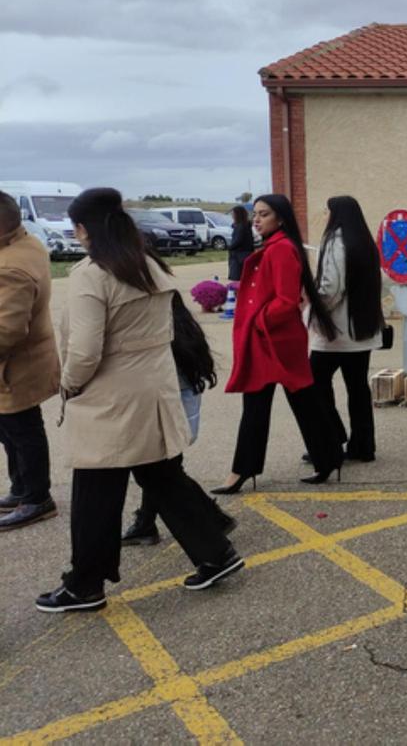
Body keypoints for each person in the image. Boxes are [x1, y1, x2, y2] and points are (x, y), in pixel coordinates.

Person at [37, 188, 243, 613]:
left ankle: (85, 585)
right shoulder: (146, 264)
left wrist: (70, 385)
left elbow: (86, 348)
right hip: (153, 387)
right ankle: (216, 553)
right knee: (161, 475)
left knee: (96, 491)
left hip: (111, 398)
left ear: (82, 230)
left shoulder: (92, 274)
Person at [214, 194, 343, 493]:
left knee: (289, 402)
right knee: (281, 403)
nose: (256, 220)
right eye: (255, 214)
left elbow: (286, 301)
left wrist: (258, 321)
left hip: (275, 340)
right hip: (272, 338)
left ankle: (244, 471)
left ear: (281, 218)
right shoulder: (276, 246)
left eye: (264, 214)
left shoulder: (281, 249)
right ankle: (326, 458)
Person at [121, 292, 236, 546]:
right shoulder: (183, 331)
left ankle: (212, 523)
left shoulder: (163, 341)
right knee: (162, 472)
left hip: (171, 417)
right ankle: (146, 523)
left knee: (160, 474)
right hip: (181, 416)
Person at [308, 196, 384, 463]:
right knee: (358, 389)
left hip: (336, 332)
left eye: (327, 211)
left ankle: (331, 440)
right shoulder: (364, 242)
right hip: (362, 331)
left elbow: (330, 289)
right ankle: (363, 446)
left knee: (314, 383)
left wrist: (313, 308)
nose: (326, 216)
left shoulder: (334, 242)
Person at [0, 190, 58, 531]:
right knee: (12, 431)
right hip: (29, 360)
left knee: (23, 431)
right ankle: (22, 488)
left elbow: (6, 331)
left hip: (15, 367)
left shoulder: (11, 267)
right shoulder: (26, 243)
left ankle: (37, 498)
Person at [227, 204, 253, 281]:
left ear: (237, 215)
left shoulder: (241, 227)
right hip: (246, 253)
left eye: (233, 214)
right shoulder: (246, 225)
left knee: (237, 277)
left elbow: (238, 240)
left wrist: (230, 247)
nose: (232, 216)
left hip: (239, 255)